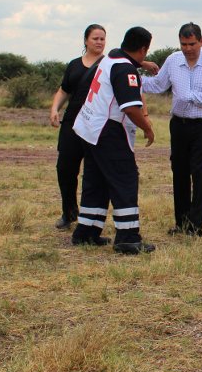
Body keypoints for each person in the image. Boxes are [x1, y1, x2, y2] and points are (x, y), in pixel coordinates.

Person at [71, 26, 156, 254]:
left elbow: (128, 59)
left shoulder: (111, 57)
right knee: (125, 180)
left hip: (89, 129)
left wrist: (142, 65)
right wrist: (148, 129)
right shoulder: (124, 70)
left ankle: (86, 232)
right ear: (143, 48)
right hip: (107, 131)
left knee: (95, 181)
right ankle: (128, 238)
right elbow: (131, 109)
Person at [141, 23, 202, 237]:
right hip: (179, 124)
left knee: (200, 172)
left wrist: (192, 97)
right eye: (183, 44)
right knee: (179, 172)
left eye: (192, 44)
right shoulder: (172, 60)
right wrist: (131, 79)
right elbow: (158, 85)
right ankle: (181, 222)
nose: (187, 48)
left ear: (201, 41)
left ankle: (195, 225)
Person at [48, 24, 106, 230]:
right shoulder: (73, 65)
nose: (99, 42)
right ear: (85, 41)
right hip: (72, 123)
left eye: (102, 39)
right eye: (95, 38)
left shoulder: (108, 64)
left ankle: (92, 216)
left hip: (96, 125)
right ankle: (69, 212)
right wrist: (55, 108)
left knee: (94, 172)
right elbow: (64, 90)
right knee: (65, 169)